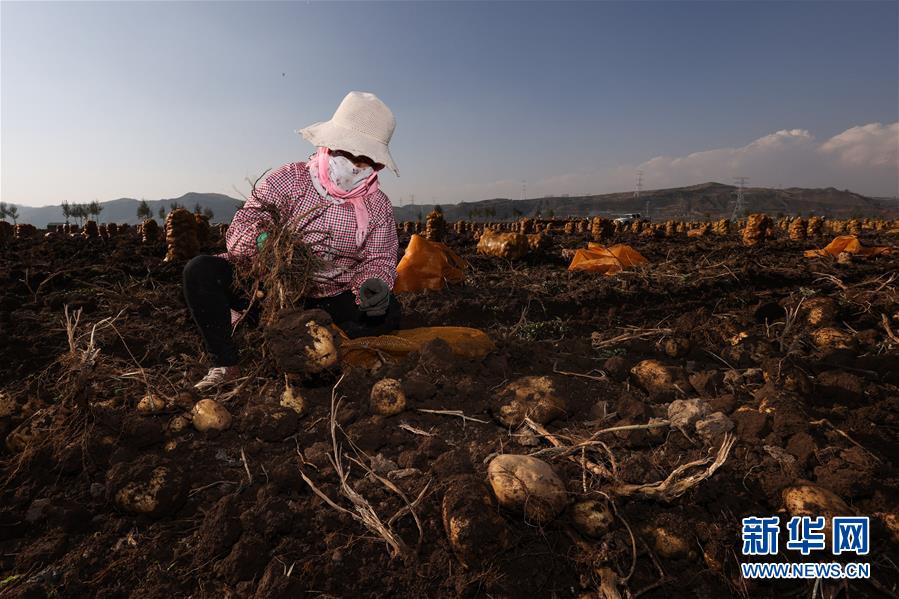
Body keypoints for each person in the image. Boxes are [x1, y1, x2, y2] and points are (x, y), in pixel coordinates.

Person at [184, 91, 401, 390]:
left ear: (376, 165)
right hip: (271, 287)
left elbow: (380, 258)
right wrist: (264, 243)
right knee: (201, 271)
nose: (354, 165)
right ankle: (225, 362)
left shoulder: (378, 206)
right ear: (330, 144)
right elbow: (242, 226)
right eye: (348, 153)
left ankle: (324, 342)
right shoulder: (290, 179)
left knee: (389, 311)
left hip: (331, 295)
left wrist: (373, 285)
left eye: (364, 160)